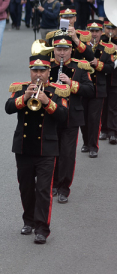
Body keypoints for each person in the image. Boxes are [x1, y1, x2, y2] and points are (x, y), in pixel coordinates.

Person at [5, 54, 69, 244]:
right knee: (25, 188)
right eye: (35, 71)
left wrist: (47, 102)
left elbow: (64, 116)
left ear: (49, 72)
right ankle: (29, 221)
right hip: (23, 147)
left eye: (42, 71)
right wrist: (25, 97)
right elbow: (8, 108)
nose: (38, 75)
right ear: (30, 71)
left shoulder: (59, 91)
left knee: (43, 190)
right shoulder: (21, 88)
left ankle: (42, 228)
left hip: (47, 149)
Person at [49, 34, 94, 204]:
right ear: (53, 51)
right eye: (58, 50)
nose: (61, 53)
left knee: (67, 154)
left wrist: (71, 83)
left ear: (71, 50)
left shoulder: (80, 67)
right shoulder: (46, 67)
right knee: (52, 152)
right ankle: (52, 184)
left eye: (65, 50)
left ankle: (63, 188)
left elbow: (90, 90)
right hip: (51, 116)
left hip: (71, 116)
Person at [80, 20, 114, 158]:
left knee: (94, 118)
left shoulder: (107, 47)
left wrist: (98, 64)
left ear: (101, 32)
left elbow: (111, 67)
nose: (94, 34)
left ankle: (93, 146)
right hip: (83, 87)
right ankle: (86, 142)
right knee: (83, 118)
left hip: (98, 88)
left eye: (97, 31)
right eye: (91, 31)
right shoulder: (81, 47)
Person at [100, 20, 117, 144]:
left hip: (115, 78)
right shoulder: (101, 40)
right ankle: (104, 129)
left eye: (113, 28)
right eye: (108, 28)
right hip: (102, 77)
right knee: (103, 105)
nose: (110, 31)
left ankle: (112, 131)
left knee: (113, 106)